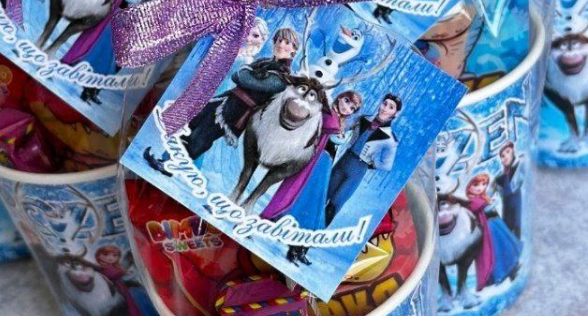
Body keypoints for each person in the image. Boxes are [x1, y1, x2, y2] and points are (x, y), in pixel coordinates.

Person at [142, 29, 299, 173]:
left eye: (287, 43)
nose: (281, 45)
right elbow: (238, 75)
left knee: (202, 136)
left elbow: (244, 78)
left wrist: (246, 74)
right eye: (279, 40)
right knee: (192, 125)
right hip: (226, 100)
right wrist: (245, 74)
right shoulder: (264, 62)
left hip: (236, 112)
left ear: (293, 49)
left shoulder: (282, 77)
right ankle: (164, 159)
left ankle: (172, 167)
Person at [265, 89, 363, 265]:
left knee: (313, 202)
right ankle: (289, 235)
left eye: (352, 108)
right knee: (305, 198)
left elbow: (335, 136)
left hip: (325, 163)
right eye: (347, 102)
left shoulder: (340, 119)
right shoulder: (327, 111)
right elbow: (321, 129)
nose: (348, 108)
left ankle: (298, 244)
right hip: (315, 160)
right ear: (341, 97)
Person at [325, 94, 401, 225]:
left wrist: (370, 161)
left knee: (336, 202)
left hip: (358, 169)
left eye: (391, 107)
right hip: (345, 159)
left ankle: (317, 231)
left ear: (395, 113)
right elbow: (344, 128)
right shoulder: (363, 119)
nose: (385, 108)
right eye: (384, 104)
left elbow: (386, 165)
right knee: (324, 192)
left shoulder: (390, 139)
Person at [92, 244, 170, 316]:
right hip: (126, 296)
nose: (110, 258)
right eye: (106, 254)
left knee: (147, 313)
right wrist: (138, 271)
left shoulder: (116, 267)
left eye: (114, 255)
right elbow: (121, 278)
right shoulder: (106, 270)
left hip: (131, 293)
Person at [463, 171, 522, 290]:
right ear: (469, 186)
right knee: (496, 253)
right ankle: (499, 275)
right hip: (488, 231)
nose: (480, 188)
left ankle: (512, 269)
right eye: (476, 185)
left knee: (507, 247)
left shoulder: (483, 197)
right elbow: (479, 209)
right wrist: (490, 204)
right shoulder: (471, 201)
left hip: (496, 225)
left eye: (483, 184)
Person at [495, 141, 525, 238]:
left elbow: (511, 189)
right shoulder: (503, 175)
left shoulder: (519, 166)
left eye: (508, 152)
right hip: (507, 209)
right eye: (502, 156)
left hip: (517, 209)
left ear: (513, 151)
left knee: (516, 229)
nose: (506, 157)